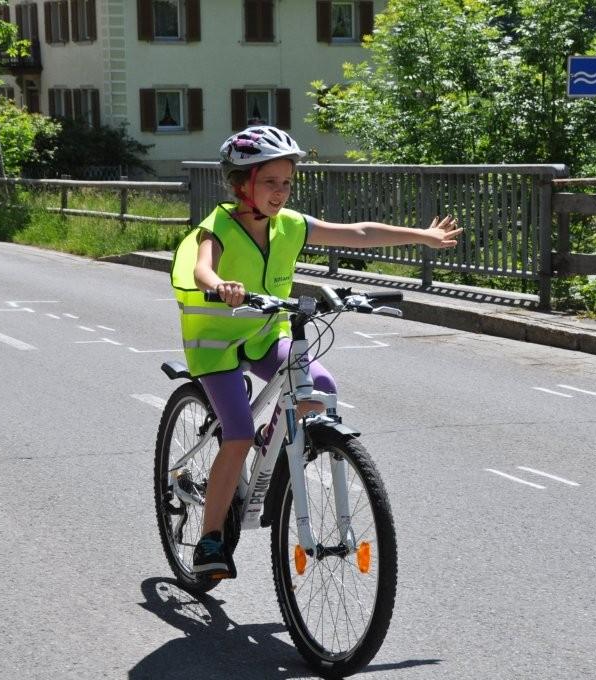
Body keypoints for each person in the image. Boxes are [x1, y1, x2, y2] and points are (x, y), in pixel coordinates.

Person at [170, 125, 461, 578]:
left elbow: (359, 232)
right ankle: (210, 539)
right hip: (216, 342)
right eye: (270, 182)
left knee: (320, 386)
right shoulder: (219, 226)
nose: (280, 192)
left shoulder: (290, 226)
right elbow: (201, 268)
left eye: (287, 182)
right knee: (238, 433)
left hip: (265, 332)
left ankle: (272, 445)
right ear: (242, 184)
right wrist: (221, 286)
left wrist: (421, 236)